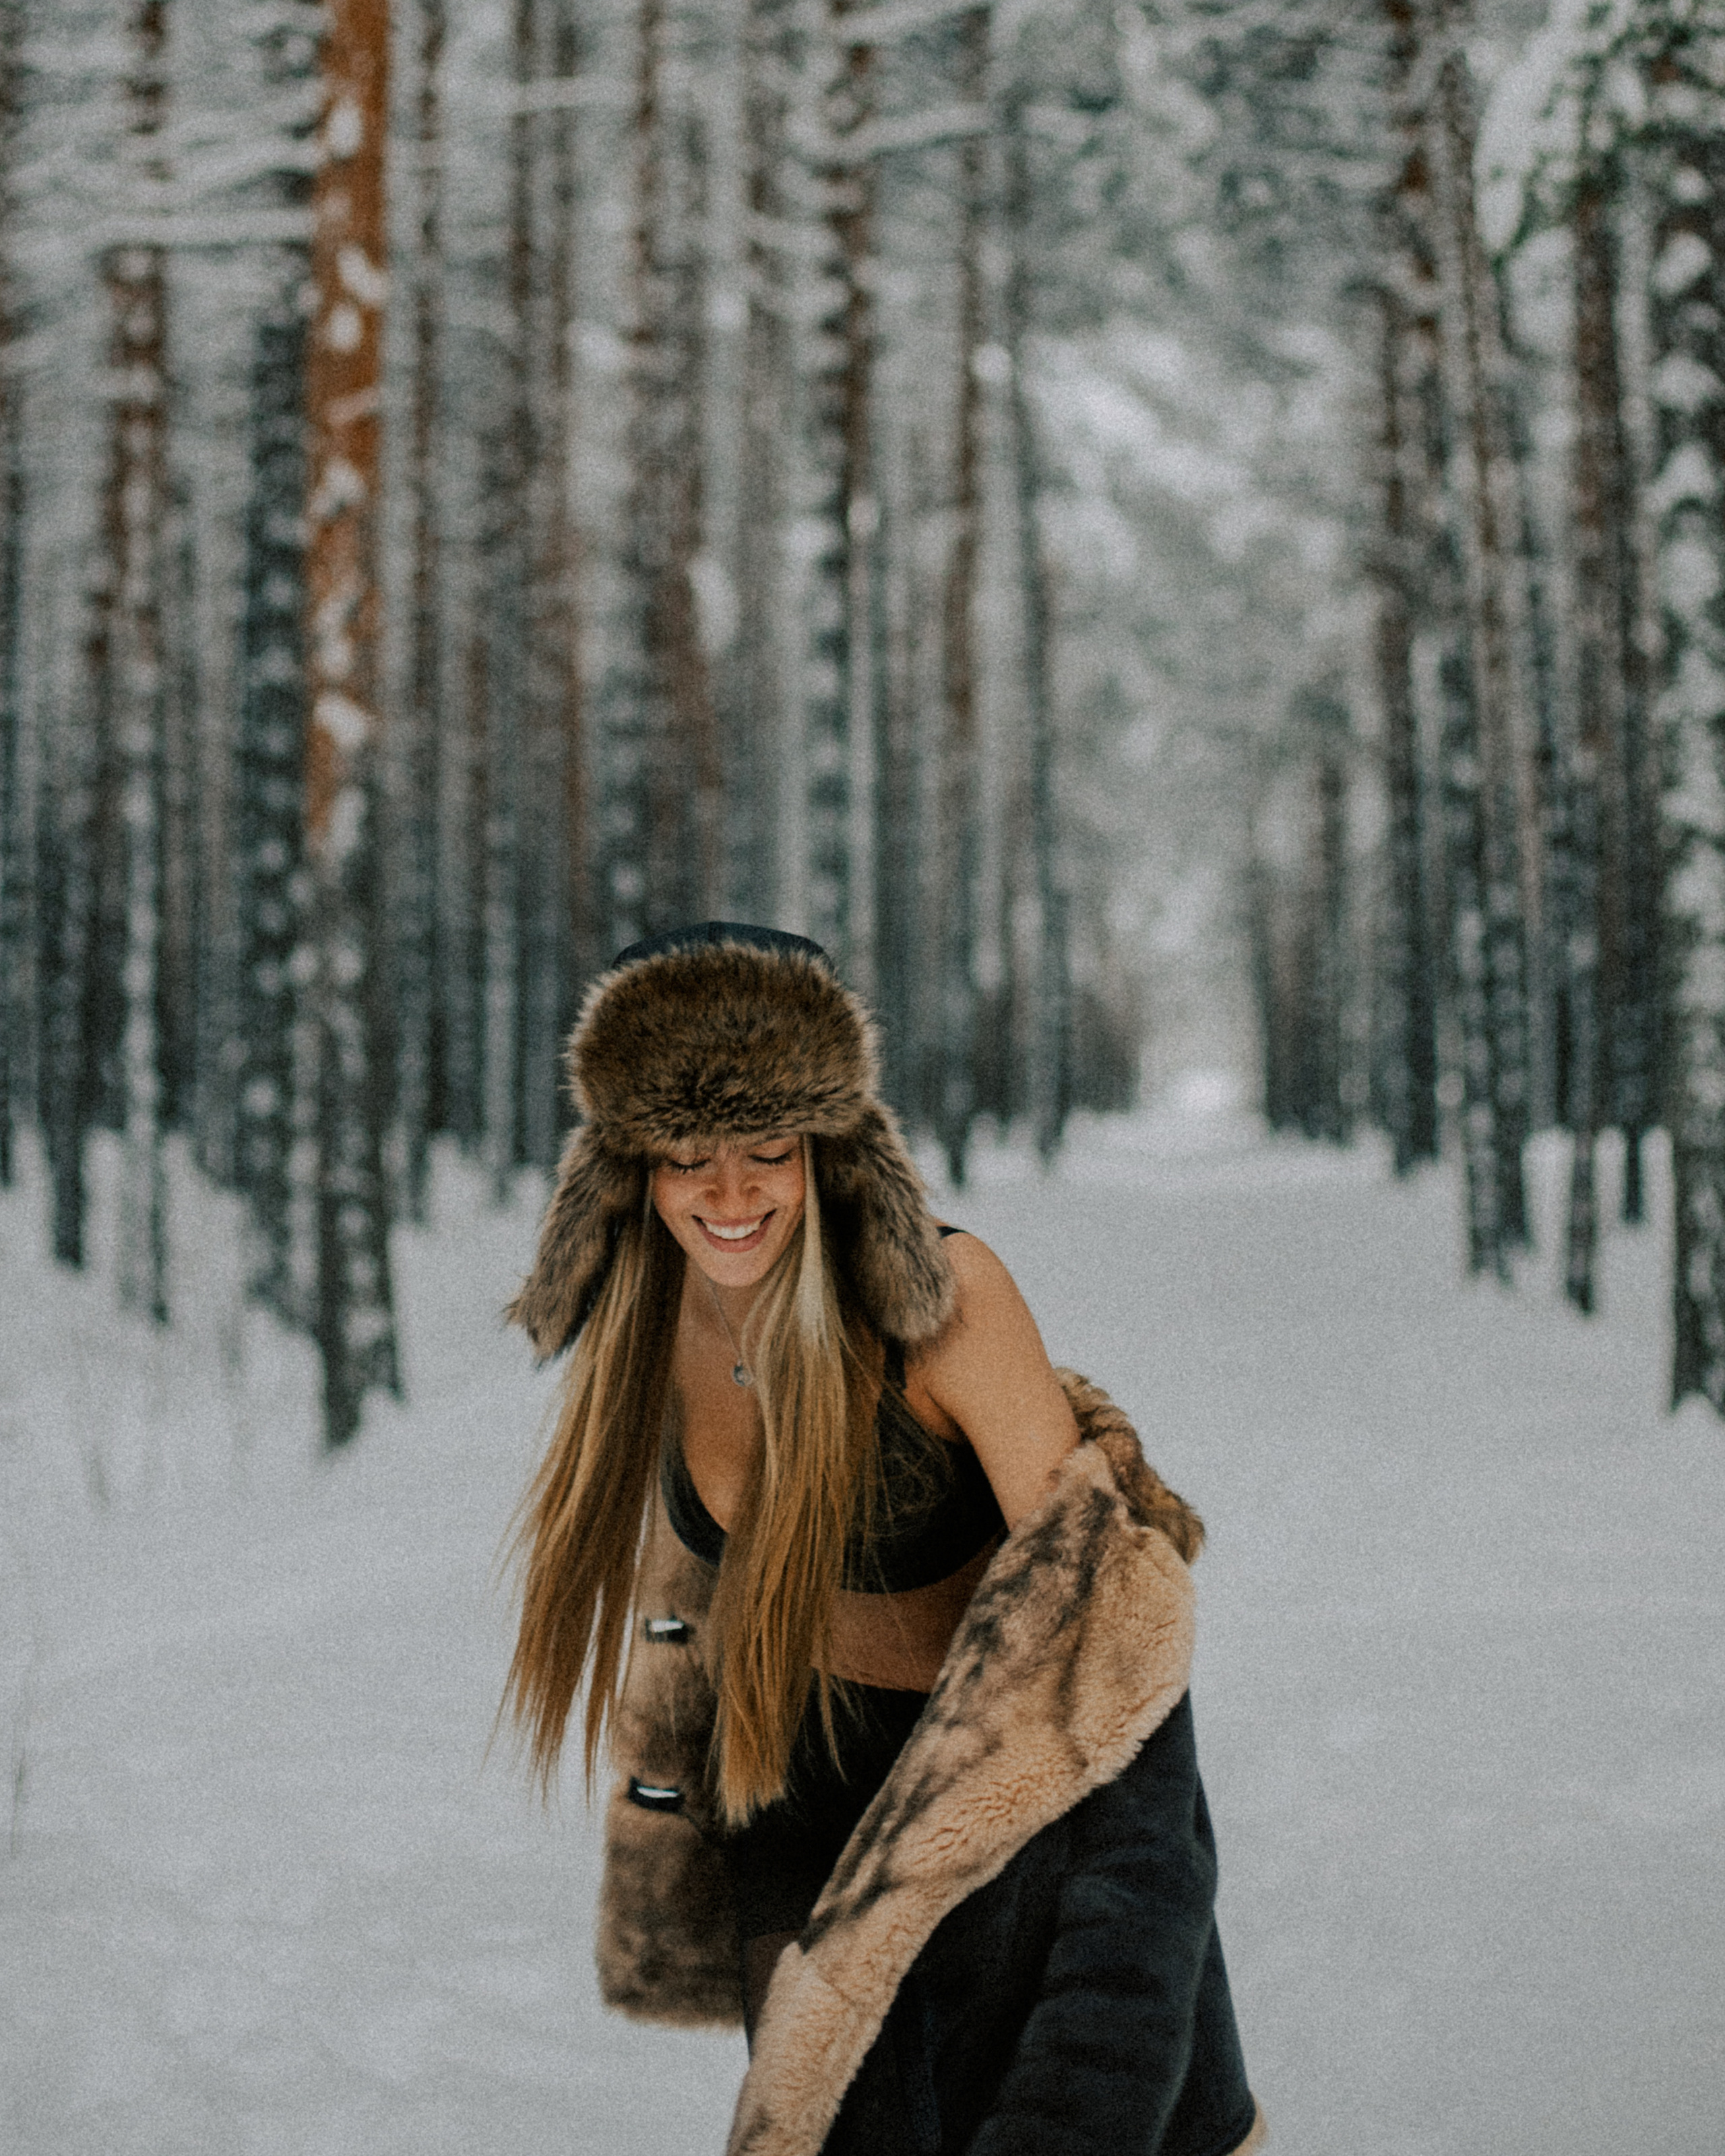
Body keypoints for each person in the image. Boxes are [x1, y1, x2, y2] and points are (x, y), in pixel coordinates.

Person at [503, 922, 1263, 2156]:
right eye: (691, 1154)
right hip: (816, 1864)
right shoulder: (648, 1325)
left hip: (1025, 1855)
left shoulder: (947, 1311)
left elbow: (1127, 1684)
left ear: (832, 1147)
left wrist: (1108, 2034)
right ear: (630, 1164)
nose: (733, 1193)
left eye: (770, 1149)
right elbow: (707, 1636)